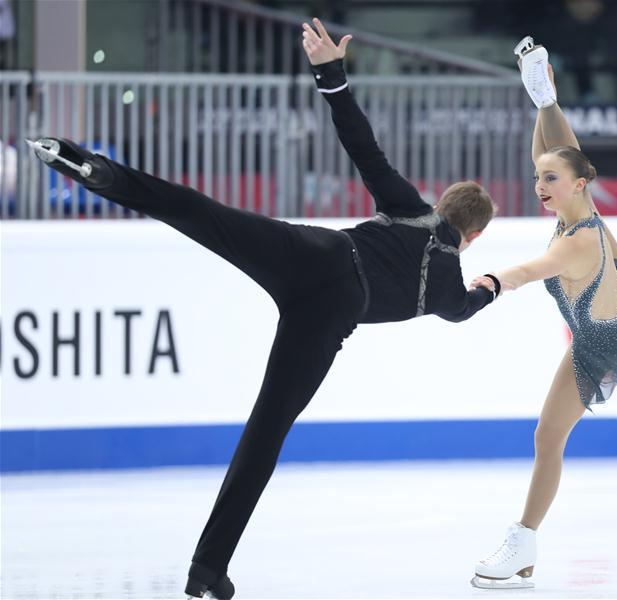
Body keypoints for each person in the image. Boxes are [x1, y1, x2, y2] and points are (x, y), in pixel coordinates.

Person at [29, 18, 497, 600]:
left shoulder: (410, 208)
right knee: (264, 435)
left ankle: (96, 171)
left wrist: (330, 73)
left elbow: (362, 144)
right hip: (329, 318)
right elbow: (463, 310)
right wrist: (492, 286)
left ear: (443, 204)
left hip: (316, 253)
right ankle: (206, 570)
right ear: (473, 234)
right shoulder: (451, 285)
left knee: (203, 214)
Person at [469, 37, 617, 590]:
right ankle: (546, 96)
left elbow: (532, 269)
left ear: (578, 185)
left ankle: (522, 546)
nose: (540, 187)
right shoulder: (576, 206)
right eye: (538, 180)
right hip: (612, 296)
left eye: (550, 182)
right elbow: (559, 160)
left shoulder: (574, 241)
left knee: (549, 436)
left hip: (606, 333)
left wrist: (493, 281)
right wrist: (544, 108)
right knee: (561, 153)